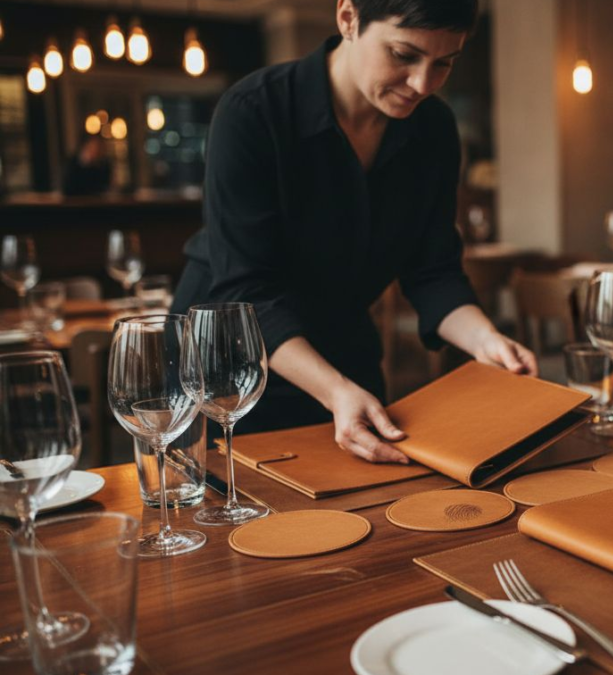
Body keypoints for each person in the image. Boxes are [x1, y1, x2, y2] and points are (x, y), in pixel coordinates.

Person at [171, 0, 536, 463]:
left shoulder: (434, 130)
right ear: (348, 18)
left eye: (443, 63)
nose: (423, 84)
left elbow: (433, 271)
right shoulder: (253, 111)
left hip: (343, 356)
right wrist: (334, 390)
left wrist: (489, 343)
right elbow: (248, 291)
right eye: (403, 55)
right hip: (225, 371)